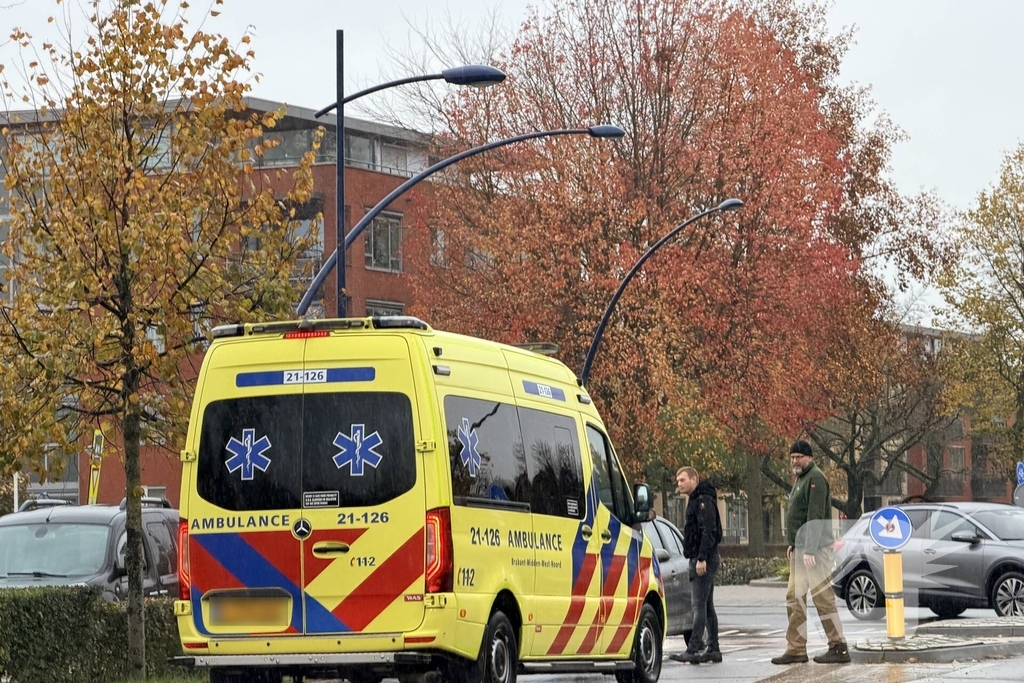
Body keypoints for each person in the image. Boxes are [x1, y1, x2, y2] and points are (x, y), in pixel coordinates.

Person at [772, 440, 851, 665]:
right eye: (792, 457)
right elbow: (799, 515)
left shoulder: (815, 478)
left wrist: (810, 549)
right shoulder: (800, 479)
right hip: (800, 549)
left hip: (815, 551)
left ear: (810, 458)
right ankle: (796, 649)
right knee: (794, 597)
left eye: (799, 457)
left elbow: (814, 516)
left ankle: (838, 646)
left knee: (822, 598)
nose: (795, 461)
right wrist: (793, 543)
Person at [668, 466, 723, 665]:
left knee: (698, 606)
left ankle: (693, 649)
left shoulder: (702, 501)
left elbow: (708, 530)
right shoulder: (697, 499)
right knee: (707, 606)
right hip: (704, 557)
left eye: (682, 480)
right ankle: (713, 648)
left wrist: (701, 558)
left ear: (694, 479)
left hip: (703, 558)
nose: (679, 484)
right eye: (678, 481)